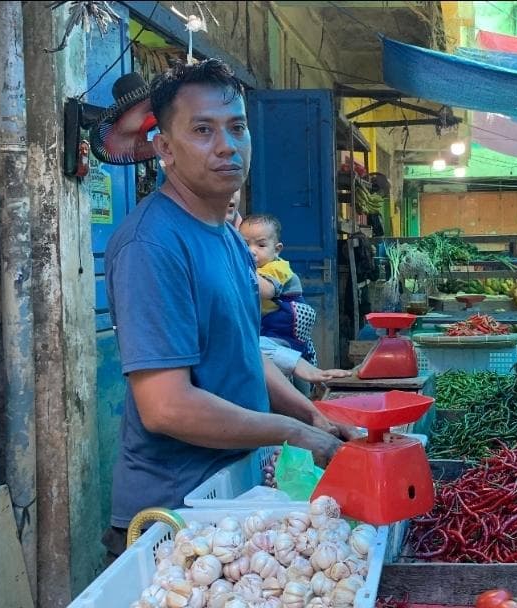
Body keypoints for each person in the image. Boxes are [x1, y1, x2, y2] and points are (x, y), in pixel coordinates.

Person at [103, 59, 347, 561]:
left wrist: (312, 415)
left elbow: (243, 351)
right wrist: (291, 431)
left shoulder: (229, 240)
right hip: (170, 519)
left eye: (237, 127)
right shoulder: (152, 244)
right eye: (202, 130)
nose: (226, 146)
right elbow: (166, 406)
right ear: (165, 148)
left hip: (225, 501)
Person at [240, 214, 321, 368]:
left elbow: (266, 291)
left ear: (277, 250)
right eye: (245, 245)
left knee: (276, 360)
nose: (251, 251)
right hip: (268, 330)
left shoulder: (278, 267)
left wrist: (240, 267)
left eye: (261, 245)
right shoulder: (256, 269)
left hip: (285, 332)